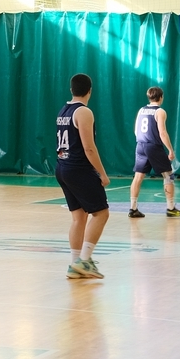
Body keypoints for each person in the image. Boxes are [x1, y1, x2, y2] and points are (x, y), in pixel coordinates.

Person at [57, 74, 110, 280]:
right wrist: (102, 173)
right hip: (78, 168)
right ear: (90, 90)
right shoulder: (84, 112)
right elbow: (89, 148)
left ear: (71, 90)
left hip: (63, 166)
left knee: (78, 218)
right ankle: (84, 260)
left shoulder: (64, 110)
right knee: (101, 213)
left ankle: (74, 264)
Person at [128, 87, 180, 219]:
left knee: (138, 177)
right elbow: (162, 133)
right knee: (168, 176)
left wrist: (143, 141)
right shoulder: (160, 111)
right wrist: (170, 149)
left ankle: (133, 208)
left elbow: (136, 130)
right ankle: (171, 208)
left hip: (140, 145)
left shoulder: (141, 110)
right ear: (161, 97)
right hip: (153, 146)